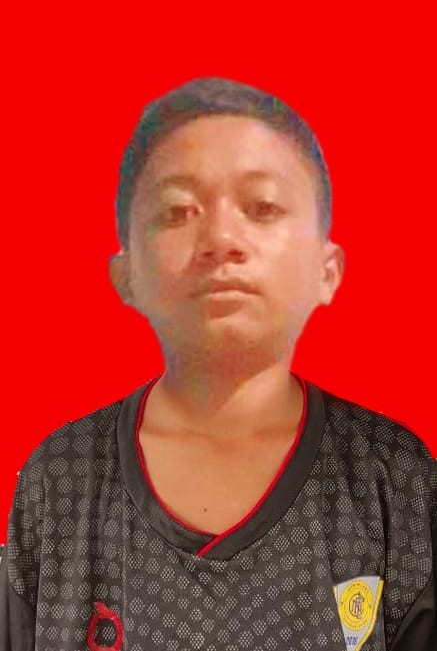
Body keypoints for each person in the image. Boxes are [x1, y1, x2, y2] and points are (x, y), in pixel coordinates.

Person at [0, 77, 435, 651]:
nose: (222, 238)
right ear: (126, 275)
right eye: (178, 210)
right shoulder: (59, 481)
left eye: (262, 207)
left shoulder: (393, 478)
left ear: (326, 270)